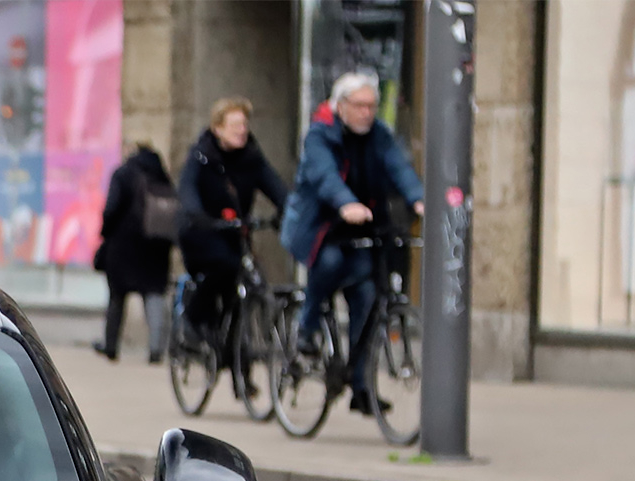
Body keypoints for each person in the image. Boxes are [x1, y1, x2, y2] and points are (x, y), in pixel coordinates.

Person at [280, 70, 424, 416]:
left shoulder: (379, 135)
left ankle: (361, 388)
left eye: (372, 106)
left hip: (362, 227)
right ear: (341, 105)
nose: (367, 113)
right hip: (321, 227)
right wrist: (345, 203)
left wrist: (418, 198)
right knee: (329, 264)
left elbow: (398, 167)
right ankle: (307, 328)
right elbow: (324, 175)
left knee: (368, 298)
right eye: (359, 105)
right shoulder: (319, 134)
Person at [176, 97, 289, 347]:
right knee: (224, 267)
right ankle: (193, 320)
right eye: (235, 125)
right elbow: (188, 190)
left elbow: (275, 187)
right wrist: (196, 213)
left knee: (242, 281)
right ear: (218, 129)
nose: (241, 131)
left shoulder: (252, 158)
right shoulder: (201, 157)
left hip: (234, 233)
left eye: (244, 125)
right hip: (201, 233)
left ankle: (240, 364)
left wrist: (288, 210)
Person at [94, 139, 176, 362]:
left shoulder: (123, 173)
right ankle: (156, 349)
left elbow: (111, 208)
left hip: (124, 245)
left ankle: (111, 347)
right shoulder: (162, 175)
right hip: (157, 247)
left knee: (117, 297)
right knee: (154, 296)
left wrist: (104, 233)